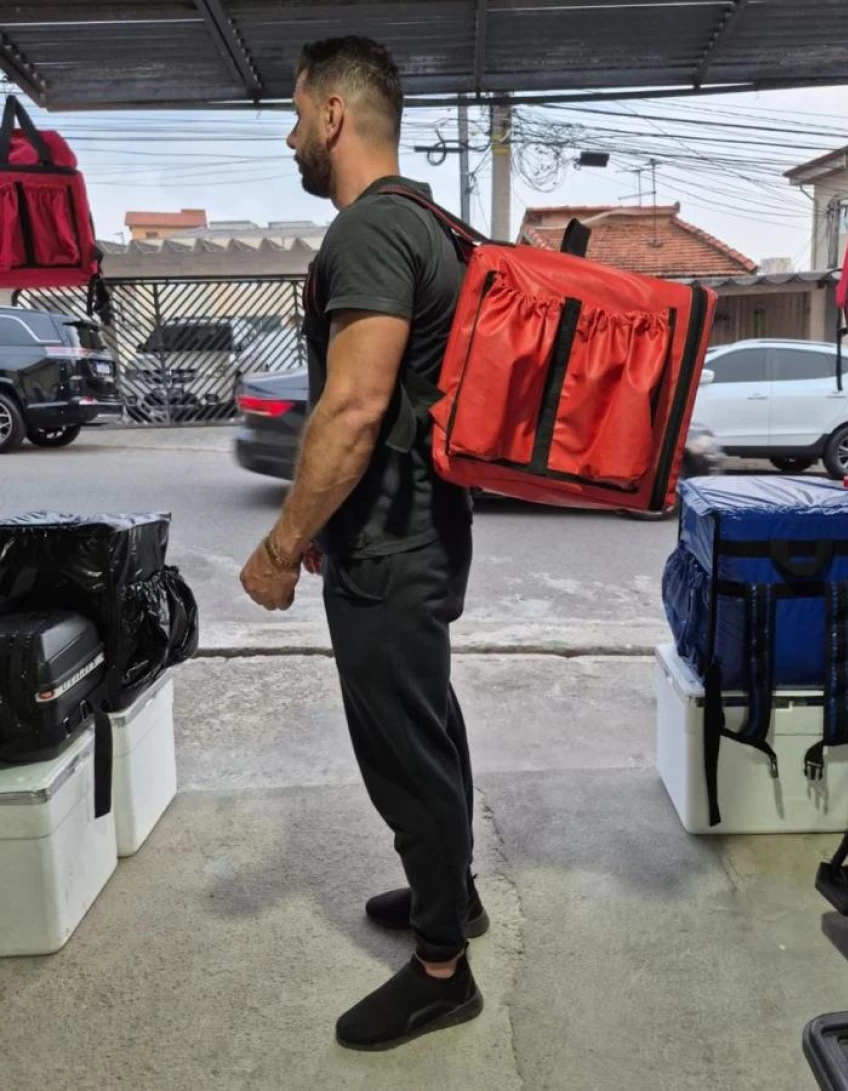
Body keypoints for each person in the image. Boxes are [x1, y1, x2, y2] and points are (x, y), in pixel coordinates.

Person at [239, 36, 488, 1051]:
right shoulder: (430, 221)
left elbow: (351, 411)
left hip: (391, 547)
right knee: (431, 723)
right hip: (421, 528)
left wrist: (281, 543)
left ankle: (441, 970)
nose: (293, 137)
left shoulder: (373, 232)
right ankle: (454, 894)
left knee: (403, 751)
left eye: (298, 115)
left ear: (335, 114)